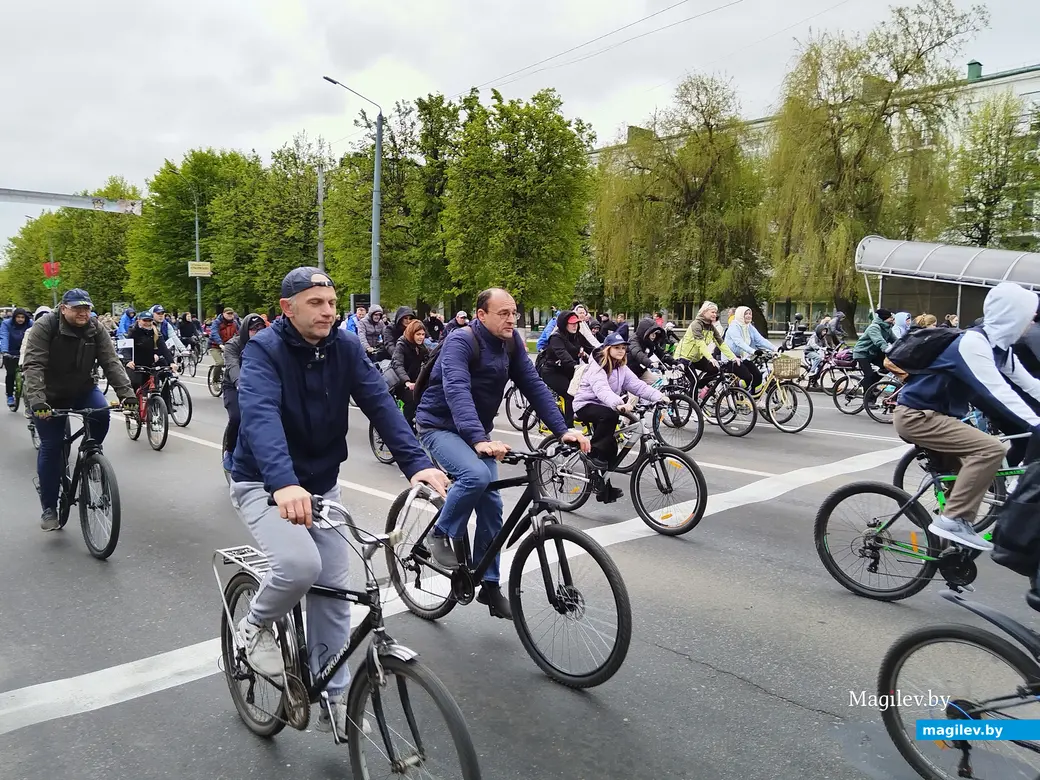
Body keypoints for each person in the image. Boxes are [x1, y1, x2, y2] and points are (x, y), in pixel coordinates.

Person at [230, 267, 448, 738]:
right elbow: (260, 417)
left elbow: (380, 404)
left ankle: (335, 698)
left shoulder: (345, 347)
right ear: (288, 308)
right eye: (316, 303)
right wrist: (283, 483)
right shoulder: (264, 350)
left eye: (331, 302)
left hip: (322, 485)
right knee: (299, 565)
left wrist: (417, 464)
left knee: (333, 590)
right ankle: (253, 626)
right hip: (264, 484)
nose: (328, 311)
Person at [414, 287, 590, 620]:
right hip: (439, 426)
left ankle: (490, 586)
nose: (512, 319)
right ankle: (439, 534)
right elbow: (456, 389)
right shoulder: (461, 342)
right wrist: (479, 438)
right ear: (481, 315)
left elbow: (533, 385)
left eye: (514, 313)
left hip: (476, 432)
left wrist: (562, 429)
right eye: (504, 313)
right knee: (475, 476)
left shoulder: (511, 344)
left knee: (493, 506)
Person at [894, 283, 1040, 550]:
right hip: (918, 416)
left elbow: (1032, 386)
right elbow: (997, 391)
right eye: (1028, 316)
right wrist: (1036, 424)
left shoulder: (1001, 348)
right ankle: (953, 520)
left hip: (939, 417)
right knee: (990, 450)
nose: (1031, 323)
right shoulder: (973, 343)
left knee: (971, 477)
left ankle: (952, 554)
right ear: (1013, 316)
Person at [21, 289, 135, 531]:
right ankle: (49, 507)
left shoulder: (96, 328)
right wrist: (38, 401)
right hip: (49, 395)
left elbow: (111, 362)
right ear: (64, 308)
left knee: (101, 413)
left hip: (82, 388)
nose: (83, 313)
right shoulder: (45, 326)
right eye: (77, 308)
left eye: (87, 308)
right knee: (52, 446)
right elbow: (34, 364)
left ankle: (91, 454)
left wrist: (127, 395)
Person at [573, 333, 665, 502]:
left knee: (611, 448)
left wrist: (659, 397)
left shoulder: (621, 368)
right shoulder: (598, 365)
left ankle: (603, 489)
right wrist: (618, 403)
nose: (621, 351)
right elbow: (601, 389)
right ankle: (593, 455)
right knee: (609, 417)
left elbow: (637, 385)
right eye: (616, 348)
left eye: (623, 348)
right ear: (608, 349)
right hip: (586, 404)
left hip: (606, 406)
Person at [221, 313, 267, 473]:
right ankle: (229, 451)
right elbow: (233, 365)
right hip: (234, 386)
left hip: (260, 385)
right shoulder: (233, 345)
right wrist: (239, 383)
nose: (258, 332)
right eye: (254, 329)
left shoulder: (267, 345)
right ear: (246, 331)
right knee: (237, 417)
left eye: (261, 329)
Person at [676, 301, 751, 391]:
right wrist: (710, 358)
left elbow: (721, 344)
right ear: (704, 312)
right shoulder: (696, 324)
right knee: (694, 381)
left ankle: (698, 388)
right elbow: (700, 343)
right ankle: (693, 398)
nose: (715, 314)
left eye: (715, 312)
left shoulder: (711, 327)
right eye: (712, 312)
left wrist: (733, 357)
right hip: (685, 357)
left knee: (715, 369)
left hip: (697, 358)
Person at [539, 310, 584, 426]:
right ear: (564, 324)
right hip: (552, 372)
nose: (575, 326)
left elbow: (592, 348)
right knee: (570, 394)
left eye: (576, 323)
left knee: (586, 391)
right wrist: (575, 365)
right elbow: (562, 353)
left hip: (568, 372)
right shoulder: (556, 337)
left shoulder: (577, 335)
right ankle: (567, 427)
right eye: (572, 323)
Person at [724, 306, 775, 394]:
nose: (748, 316)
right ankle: (735, 391)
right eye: (746, 314)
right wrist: (753, 351)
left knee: (758, 375)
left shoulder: (749, 326)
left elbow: (760, 339)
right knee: (747, 377)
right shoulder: (734, 326)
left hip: (744, 357)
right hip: (731, 358)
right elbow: (739, 343)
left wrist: (775, 348)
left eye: (750, 314)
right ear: (740, 315)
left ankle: (753, 398)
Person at [389, 318, 429, 427]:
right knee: (412, 400)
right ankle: (406, 428)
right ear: (412, 334)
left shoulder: (421, 347)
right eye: (418, 334)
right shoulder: (402, 344)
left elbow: (429, 361)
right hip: (400, 382)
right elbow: (397, 364)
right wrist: (407, 382)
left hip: (414, 382)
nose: (421, 337)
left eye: (423, 334)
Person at [124, 309, 176, 392]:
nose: (147, 323)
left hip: (151, 362)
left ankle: (165, 399)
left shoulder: (156, 332)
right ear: (139, 321)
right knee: (135, 383)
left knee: (164, 375)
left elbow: (163, 348)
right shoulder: (133, 331)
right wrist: (128, 361)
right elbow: (126, 348)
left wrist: (171, 362)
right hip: (136, 363)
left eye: (150, 320)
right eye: (145, 320)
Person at [853, 308, 896, 388]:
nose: (893, 319)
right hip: (862, 353)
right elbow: (878, 340)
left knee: (887, 368)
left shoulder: (888, 329)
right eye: (891, 317)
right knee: (869, 375)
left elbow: (895, 340)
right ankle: (867, 393)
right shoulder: (874, 327)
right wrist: (886, 348)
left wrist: (904, 347)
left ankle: (869, 384)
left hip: (874, 353)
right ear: (885, 318)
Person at [628, 315, 674, 382]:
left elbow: (661, 353)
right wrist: (650, 363)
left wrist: (674, 362)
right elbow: (638, 353)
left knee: (656, 382)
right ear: (644, 332)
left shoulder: (649, 341)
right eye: (651, 333)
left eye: (655, 333)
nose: (654, 336)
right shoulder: (634, 341)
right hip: (629, 372)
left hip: (640, 371)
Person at [1, 308, 32, 406]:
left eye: (22, 317)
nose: (20, 319)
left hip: (25, 350)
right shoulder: (6, 324)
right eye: (18, 317)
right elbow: (4, 336)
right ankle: (10, 395)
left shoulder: (30, 323)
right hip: (10, 351)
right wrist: (5, 351)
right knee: (10, 374)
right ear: (14, 317)